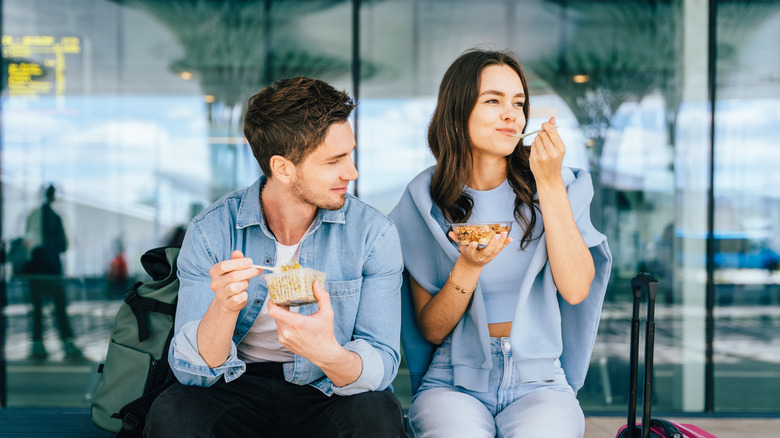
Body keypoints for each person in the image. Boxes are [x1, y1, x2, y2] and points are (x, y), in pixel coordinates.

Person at [145, 77, 408, 438]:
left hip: (328, 388)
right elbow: (191, 372)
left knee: (378, 413)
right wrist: (223, 307)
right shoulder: (212, 231)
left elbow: (383, 361)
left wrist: (327, 353)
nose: (352, 172)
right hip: (235, 385)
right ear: (283, 168)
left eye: (350, 154)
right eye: (334, 161)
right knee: (174, 412)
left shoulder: (373, 235)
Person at [389, 49, 612, 437]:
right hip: (452, 381)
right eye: (493, 101)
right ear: (458, 112)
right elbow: (431, 330)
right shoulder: (423, 201)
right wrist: (469, 267)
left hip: (540, 380)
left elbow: (576, 290)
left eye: (519, 103)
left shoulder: (563, 186)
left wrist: (549, 182)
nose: (512, 114)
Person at [23, 184, 84, 361]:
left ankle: (38, 344)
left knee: (38, 308)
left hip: (36, 267)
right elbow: (64, 245)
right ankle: (66, 342)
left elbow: (28, 241)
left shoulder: (33, 215)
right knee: (59, 307)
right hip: (51, 268)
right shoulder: (56, 217)